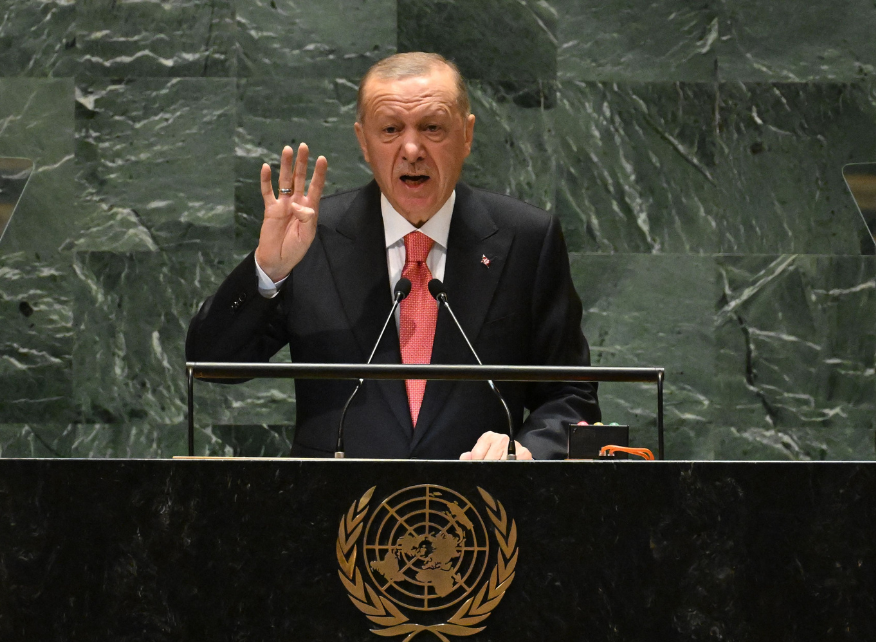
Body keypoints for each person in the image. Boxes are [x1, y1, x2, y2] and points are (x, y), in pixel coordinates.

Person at [185, 52, 599, 460]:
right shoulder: (312, 236)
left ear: (467, 135)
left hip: (479, 515)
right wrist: (269, 270)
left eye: (433, 127)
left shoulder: (526, 239)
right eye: (390, 130)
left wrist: (524, 449)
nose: (412, 149)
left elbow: (571, 395)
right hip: (335, 512)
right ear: (363, 141)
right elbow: (212, 365)